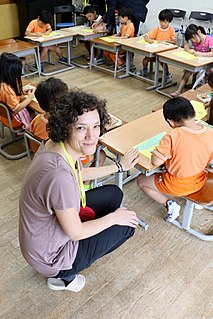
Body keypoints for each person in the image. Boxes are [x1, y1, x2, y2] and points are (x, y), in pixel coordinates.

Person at [19, 89, 140, 292]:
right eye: (81, 128)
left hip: (40, 239)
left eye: (95, 126)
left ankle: (82, 250)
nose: (92, 136)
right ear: (66, 128)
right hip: (51, 257)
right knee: (127, 226)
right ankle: (64, 277)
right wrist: (114, 218)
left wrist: (120, 167)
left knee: (114, 194)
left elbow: (78, 174)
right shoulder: (58, 176)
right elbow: (75, 233)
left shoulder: (54, 146)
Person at [137, 97, 213, 222]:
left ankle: (169, 204)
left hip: (177, 184)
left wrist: (157, 151)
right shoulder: (210, 133)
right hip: (201, 179)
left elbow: (155, 161)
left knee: (141, 180)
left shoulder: (173, 135)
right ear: (194, 113)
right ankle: (197, 199)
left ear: (171, 122)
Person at [30, 77, 106, 187]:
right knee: (101, 154)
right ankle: (86, 184)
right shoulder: (61, 130)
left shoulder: (36, 120)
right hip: (70, 162)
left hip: (44, 157)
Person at [171, 24, 213, 97]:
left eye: (193, 38)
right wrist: (190, 51)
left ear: (199, 32)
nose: (193, 41)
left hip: (208, 64)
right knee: (186, 73)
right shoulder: (194, 41)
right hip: (197, 63)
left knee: (207, 77)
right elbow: (186, 46)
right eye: (191, 39)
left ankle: (203, 94)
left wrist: (201, 54)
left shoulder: (210, 40)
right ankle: (178, 91)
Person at [137, 9, 176, 80]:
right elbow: (146, 36)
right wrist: (149, 40)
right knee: (145, 61)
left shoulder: (171, 30)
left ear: (169, 22)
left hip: (163, 53)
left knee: (163, 63)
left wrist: (165, 41)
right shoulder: (157, 29)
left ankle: (167, 74)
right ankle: (145, 70)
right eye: (161, 22)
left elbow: (174, 42)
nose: (162, 24)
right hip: (154, 51)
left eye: (165, 22)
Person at [0, 52, 35, 130]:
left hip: (3, 116)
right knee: (35, 113)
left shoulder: (3, 84)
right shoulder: (6, 89)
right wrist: (29, 98)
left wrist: (20, 93)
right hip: (14, 119)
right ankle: (30, 130)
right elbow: (16, 109)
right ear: (11, 72)